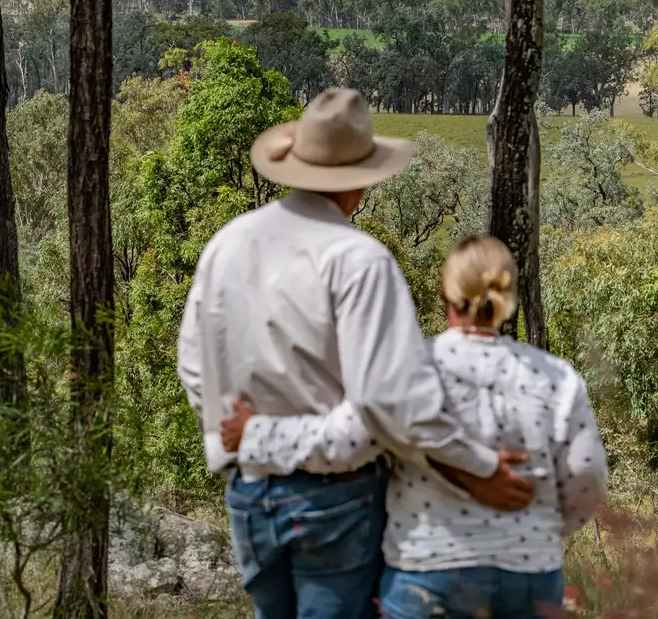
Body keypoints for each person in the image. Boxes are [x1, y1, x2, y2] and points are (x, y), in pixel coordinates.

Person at [177, 88, 534, 619]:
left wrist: (248, 434)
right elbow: (389, 402)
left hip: (249, 493)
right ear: (362, 180)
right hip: (335, 498)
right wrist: (479, 465)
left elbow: (193, 364)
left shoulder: (228, 243)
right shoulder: (359, 260)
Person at [223, 235, 608, 619]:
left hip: (427, 571)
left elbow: (344, 443)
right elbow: (586, 478)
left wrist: (257, 434)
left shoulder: (409, 368)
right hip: (532, 578)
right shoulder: (558, 377)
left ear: (445, 292)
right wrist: (537, 530)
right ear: (509, 296)